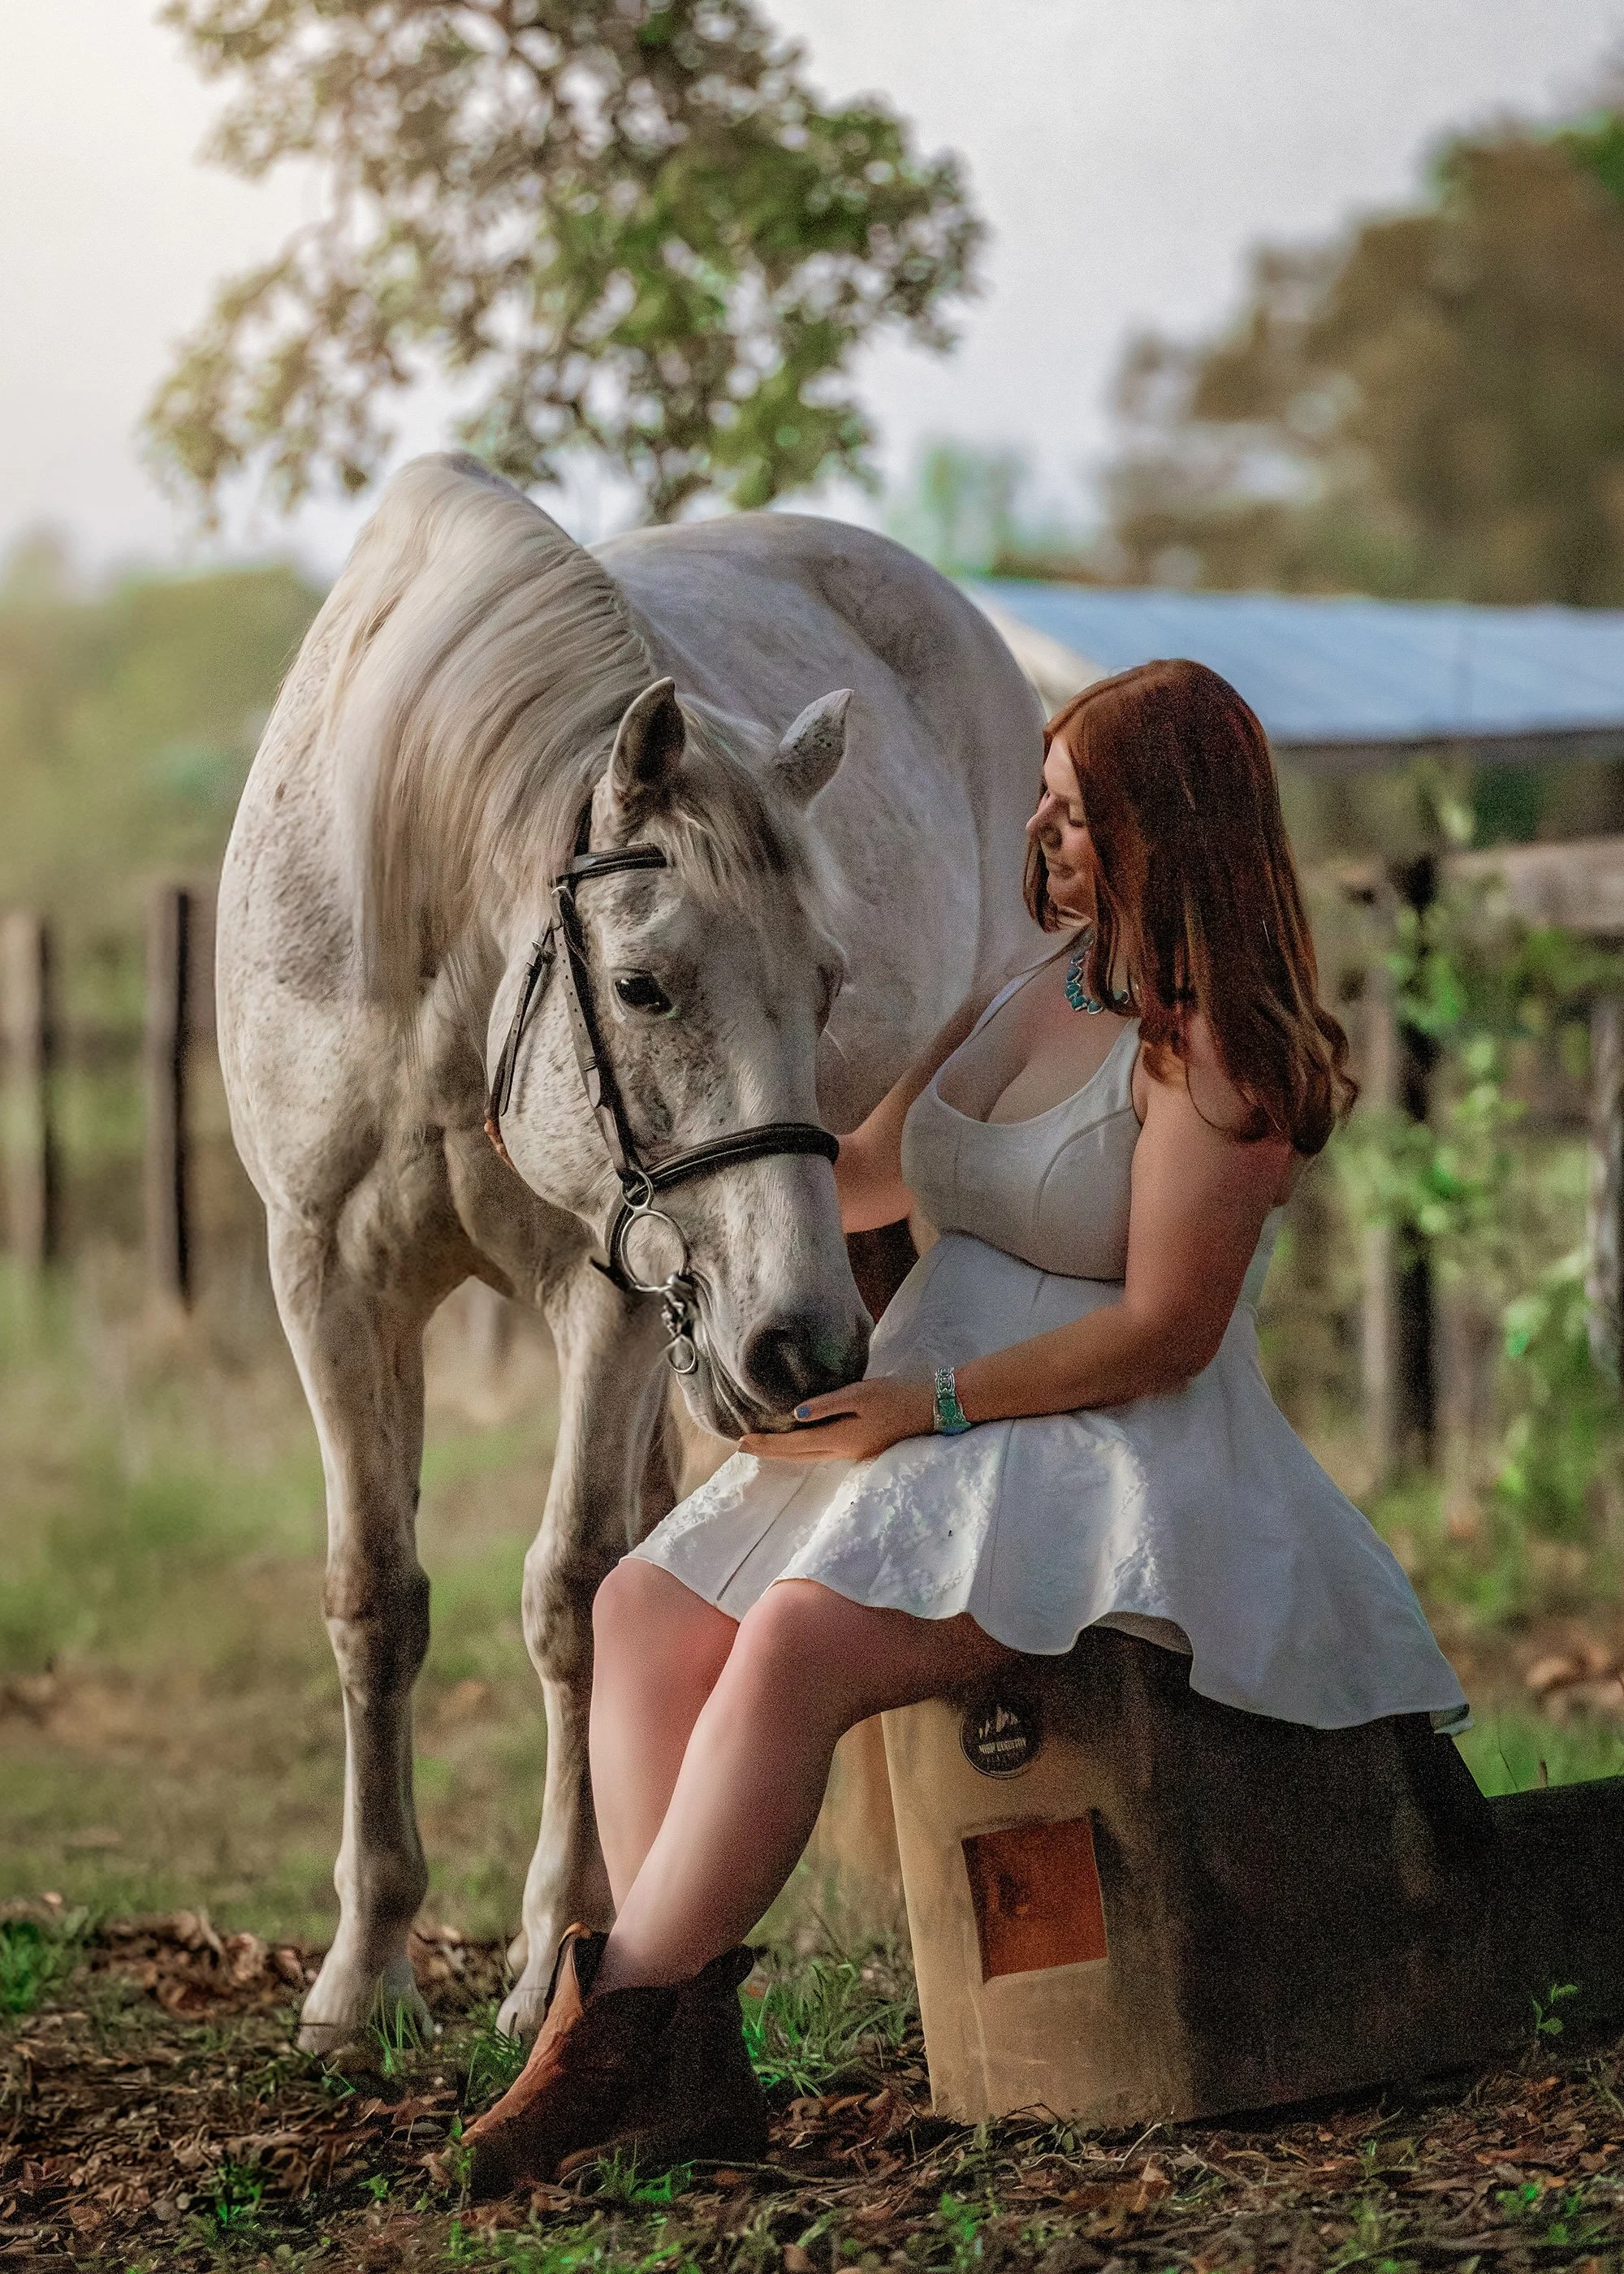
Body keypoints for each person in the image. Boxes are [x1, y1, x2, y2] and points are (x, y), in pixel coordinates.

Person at [463, 658, 1467, 2196]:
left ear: (1165, 824)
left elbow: (1164, 1333)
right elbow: (872, 1172)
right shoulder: (1033, 993)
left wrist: (916, 1407)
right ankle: (691, 2071)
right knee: (644, 1608)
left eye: (1076, 813)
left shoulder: (1223, 1053)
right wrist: (645, 1171)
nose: (1044, 836)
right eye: (1049, 805)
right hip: (925, 1415)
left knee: (790, 1648)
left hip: (1100, 1444)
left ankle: (596, 2040)